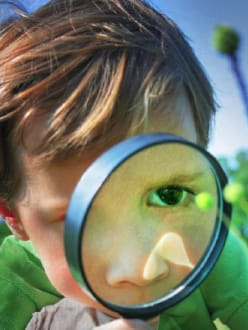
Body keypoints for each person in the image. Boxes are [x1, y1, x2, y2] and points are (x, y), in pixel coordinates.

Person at [0, 0, 247, 329]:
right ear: (15, 219)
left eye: (170, 195)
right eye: (80, 218)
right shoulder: (9, 282)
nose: (144, 269)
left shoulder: (206, 244)